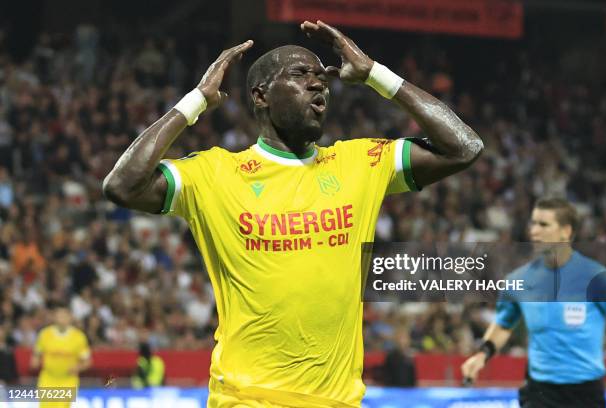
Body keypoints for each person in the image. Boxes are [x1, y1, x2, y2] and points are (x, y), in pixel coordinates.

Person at [103, 20, 482, 407]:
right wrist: (196, 100)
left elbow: (464, 147)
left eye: (321, 77)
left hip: (338, 402)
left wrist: (374, 74)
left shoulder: (360, 163)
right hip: (248, 398)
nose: (318, 84)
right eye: (300, 74)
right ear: (261, 95)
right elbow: (122, 185)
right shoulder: (215, 174)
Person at [461, 198, 606, 408]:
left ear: (566, 231)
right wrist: (482, 354)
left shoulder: (596, 278)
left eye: (543, 224)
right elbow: (504, 324)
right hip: (539, 393)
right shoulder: (518, 281)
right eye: (533, 223)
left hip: (585, 394)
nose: (534, 231)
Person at [31, 304, 91, 408]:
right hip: (48, 378)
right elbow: (37, 352)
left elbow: (87, 361)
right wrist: (35, 360)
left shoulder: (79, 337)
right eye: (59, 315)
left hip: (68, 380)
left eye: (65, 315)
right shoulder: (45, 334)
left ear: (70, 317)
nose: (62, 318)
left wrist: (78, 367)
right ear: (54, 317)